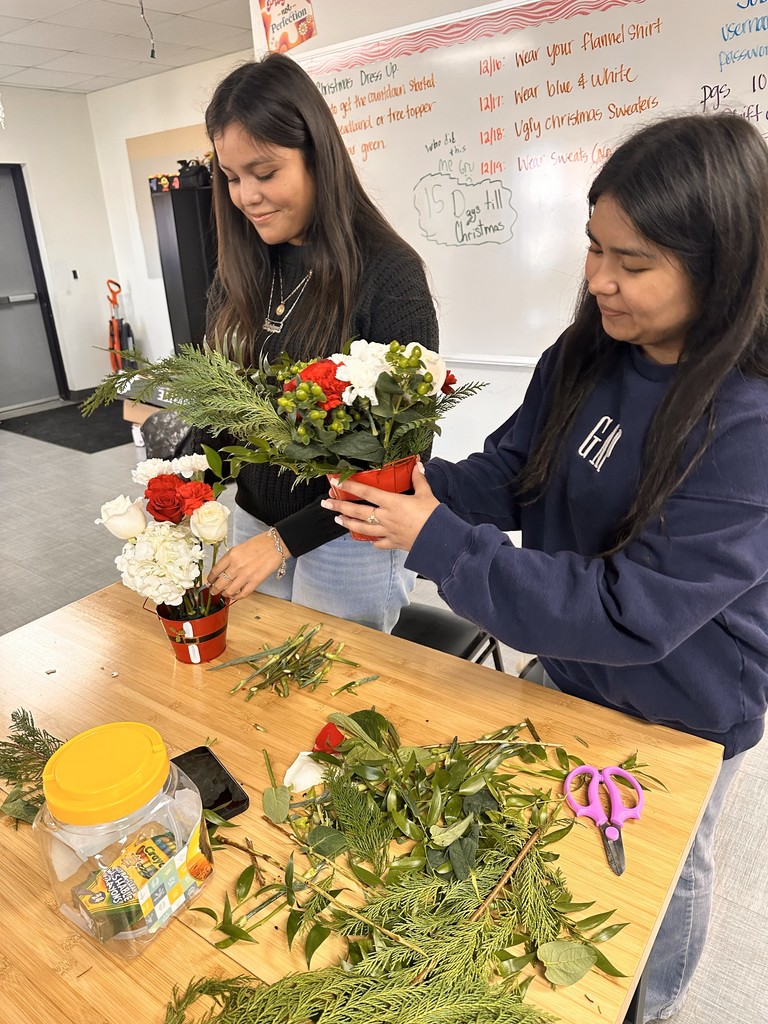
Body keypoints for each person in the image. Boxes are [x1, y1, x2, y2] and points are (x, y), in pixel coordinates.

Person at [321, 111, 768, 1021]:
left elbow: (627, 612)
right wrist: (410, 486)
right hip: (565, 669)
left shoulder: (747, 422)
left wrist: (436, 540)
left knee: (658, 869)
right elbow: (514, 473)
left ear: (722, 263)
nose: (600, 279)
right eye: (593, 247)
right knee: (554, 849)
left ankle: (660, 1005)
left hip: (680, 704)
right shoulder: (586, 353)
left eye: (634, 262)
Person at [203, 53, 439, 632]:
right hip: (252, 525)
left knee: (331, 700)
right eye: (232, 178)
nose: (246, 196)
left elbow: (399, 458)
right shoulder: (241, 272)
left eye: (265, 172)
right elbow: (220, 409)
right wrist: (185, 484)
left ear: (319, 158)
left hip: (348, 540)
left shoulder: (388, 273)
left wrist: (284, 542)